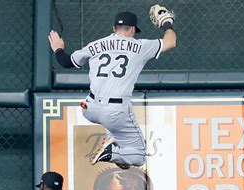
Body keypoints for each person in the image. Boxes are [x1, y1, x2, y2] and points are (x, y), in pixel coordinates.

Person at [48, 9, 176, 170]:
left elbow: (66, 62)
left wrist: (58, 48)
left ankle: (113, 145)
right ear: (132, 30)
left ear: (114, 29)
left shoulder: (95, 45)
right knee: (138, 156)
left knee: (117, 136)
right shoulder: (140, 46)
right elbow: (171, 42)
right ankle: (111, 152)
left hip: (89, 108)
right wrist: (166, 23)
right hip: (115, 111)